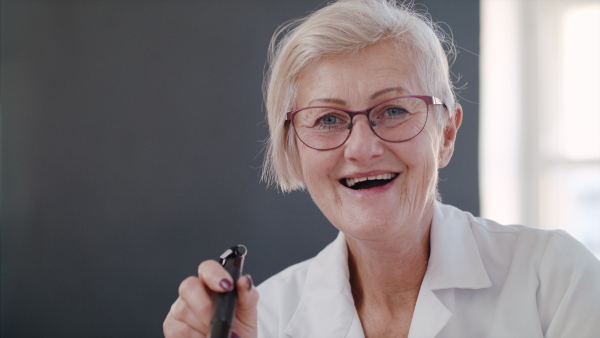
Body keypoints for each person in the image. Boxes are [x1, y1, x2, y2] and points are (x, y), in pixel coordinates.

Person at [163, 0, 600, 337]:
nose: (363, 148)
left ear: (445, 134)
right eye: (328, 119)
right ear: (293, 149)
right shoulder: (267, 318)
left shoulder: (556, 281)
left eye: (393, 110)